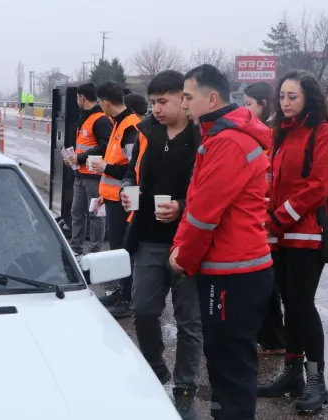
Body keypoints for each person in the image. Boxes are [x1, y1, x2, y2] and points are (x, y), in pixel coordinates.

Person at [169, 64, 273, 420]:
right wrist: (181, 249)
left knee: (231, 365)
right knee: (225, 360)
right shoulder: (221, 137)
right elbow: (197, 204)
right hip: (232, 268)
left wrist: (183, 258)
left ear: (211, 98)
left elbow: (203, 215)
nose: (183, 104)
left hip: (233, 272)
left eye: (187, 96)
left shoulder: (228, 142)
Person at [258, 70, 328, 415]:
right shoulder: (280, 133)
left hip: (307, 233)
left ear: (308, 97)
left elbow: (319, 185)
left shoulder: (323, 133)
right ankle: (293, 373)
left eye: (293, 96)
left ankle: (317, 380)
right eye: (282, 97)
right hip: (280, 235)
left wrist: (279, 217)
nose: (286, 103)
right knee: (289, 305)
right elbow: (272, 180)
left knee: (302, 305)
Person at [120, 70, 202, 420]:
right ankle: (156, 370)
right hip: (149, 239)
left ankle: (185, 388)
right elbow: (129, 173)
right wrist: (127, 191)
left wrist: (182, 206)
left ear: (183, 100)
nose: (155, 108)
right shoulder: (145, 133)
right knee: (143, 310)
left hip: (188, 242)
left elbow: (211, 191)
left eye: (163, 101)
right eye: (152, 102)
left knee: (189, 322)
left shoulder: (202, 137)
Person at [244, 81, 287, 356]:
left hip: (272, 218)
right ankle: (270, 337)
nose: (245, 110)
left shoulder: (272, 136)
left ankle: (274, 339)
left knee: (270, 284)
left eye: (249, 104)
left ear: (262, 104)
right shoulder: (259, 134)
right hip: (263, 216)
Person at [93, 81, 140, 319]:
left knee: (125, 250)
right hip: (114, 199)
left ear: (106, 103)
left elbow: (135, 169)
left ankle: (128, 298)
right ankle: (122, 291)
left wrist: (106, 167)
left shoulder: (130, 127)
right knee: (119, 248)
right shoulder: (118, 123)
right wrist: (105, 195)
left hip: (125, 201)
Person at [64, 83, 113, 257]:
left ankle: (94, 252)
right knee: (76, 213)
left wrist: (81, 157)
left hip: (94, 177)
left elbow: (105, 146)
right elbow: (84, 145)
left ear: (82, 97)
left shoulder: (100, 119)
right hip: (80, 175)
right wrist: (73, 159)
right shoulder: (84, 117)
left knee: (96, 215)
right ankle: (76, 248)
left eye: (78, 97)